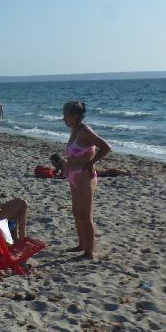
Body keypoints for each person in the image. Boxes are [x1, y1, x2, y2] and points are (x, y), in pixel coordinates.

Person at [61, 101, 111, 260]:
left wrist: (91, 162)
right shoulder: (74, 130)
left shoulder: (85, 131)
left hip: (84, 178)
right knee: (76, 213)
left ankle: (89, 252)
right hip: (73, 177)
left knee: (86, 216)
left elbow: (106, 147)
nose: (64, 119)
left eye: (66, 115)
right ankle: (81, 245)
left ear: (75, 116)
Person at [50, 152, 129, 179]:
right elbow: (56, 171)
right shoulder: (58, 164)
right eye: (52, 163)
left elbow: (63, 176)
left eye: (53, 162)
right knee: (105, 172)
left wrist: (55, 176)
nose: (53, 164)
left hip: (85, 168)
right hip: (82, 169)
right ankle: (122, 172)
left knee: (105, 172)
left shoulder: (64, 163)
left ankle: (125, 172)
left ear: (59, 160)